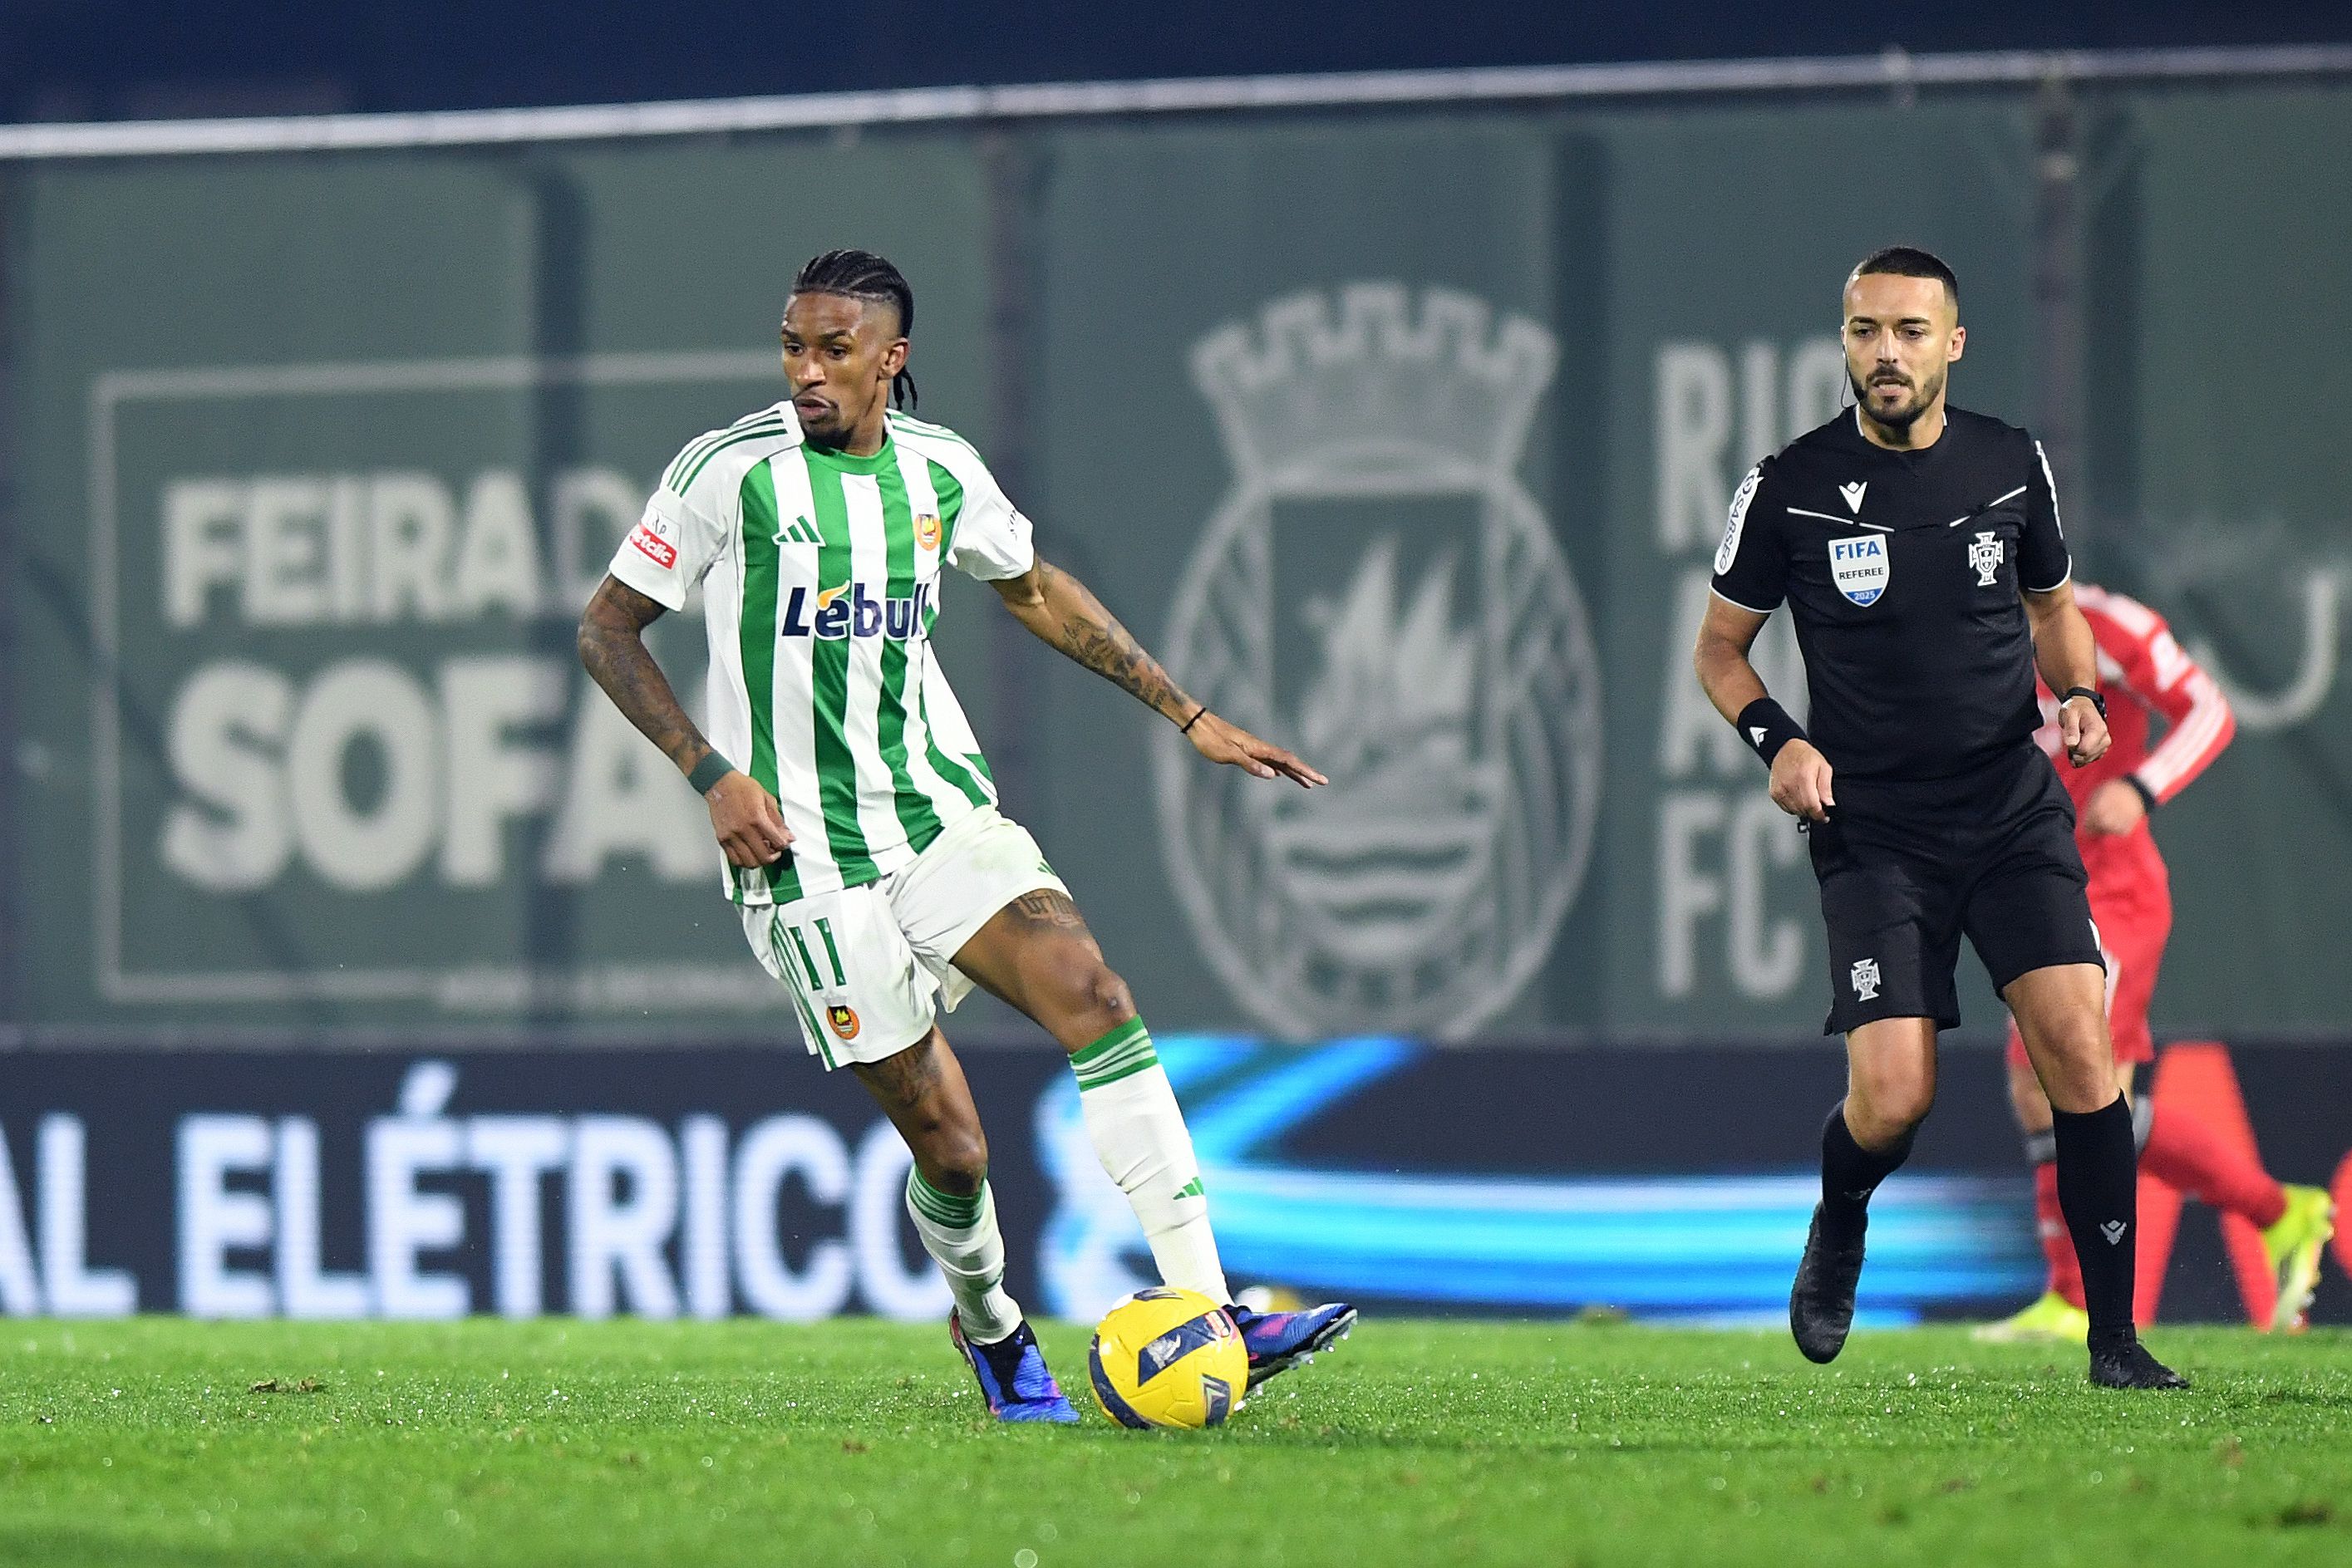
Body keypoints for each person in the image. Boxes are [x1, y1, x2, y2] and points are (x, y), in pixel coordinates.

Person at [578, 248, 1356, 1423]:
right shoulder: (728, 475)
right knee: (953, 1149)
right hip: (805, 862)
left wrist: (1187, 713)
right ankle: (991, 1324)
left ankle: (1210, 1304)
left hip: (938, 817)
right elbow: (605, 630)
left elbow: (1032, 585)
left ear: (892, 358)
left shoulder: (941, 470)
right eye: (793, 345)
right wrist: (708, 773)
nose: (805, 370)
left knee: (1092, 990)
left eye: (833, 349)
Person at [1692, 244, 2185, 1389]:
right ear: (1844, 343)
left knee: (2078, 1042)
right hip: (1875, 830)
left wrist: (2074, 693)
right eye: (1866, 331)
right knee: (1895, 1096)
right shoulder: (1788, 484)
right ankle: (1841, 1215)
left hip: (2009, 811)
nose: (1886, 353)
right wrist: (1782, 738)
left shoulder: (2011, 465)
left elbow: (2055, 610)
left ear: (1952, 343)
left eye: (1910, 331)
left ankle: (2113, 1341)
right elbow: (1719, 652)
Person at [1977, 584, 2335, 1342]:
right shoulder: (1961, 621)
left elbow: (2209, 708)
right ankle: (2278, 1213)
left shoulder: (2104, 622)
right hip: (2040, 889)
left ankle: (2080, 1305)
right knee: (2079, 1098)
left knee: (2056, 1078)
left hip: (2112, 892)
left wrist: (2141, 786)